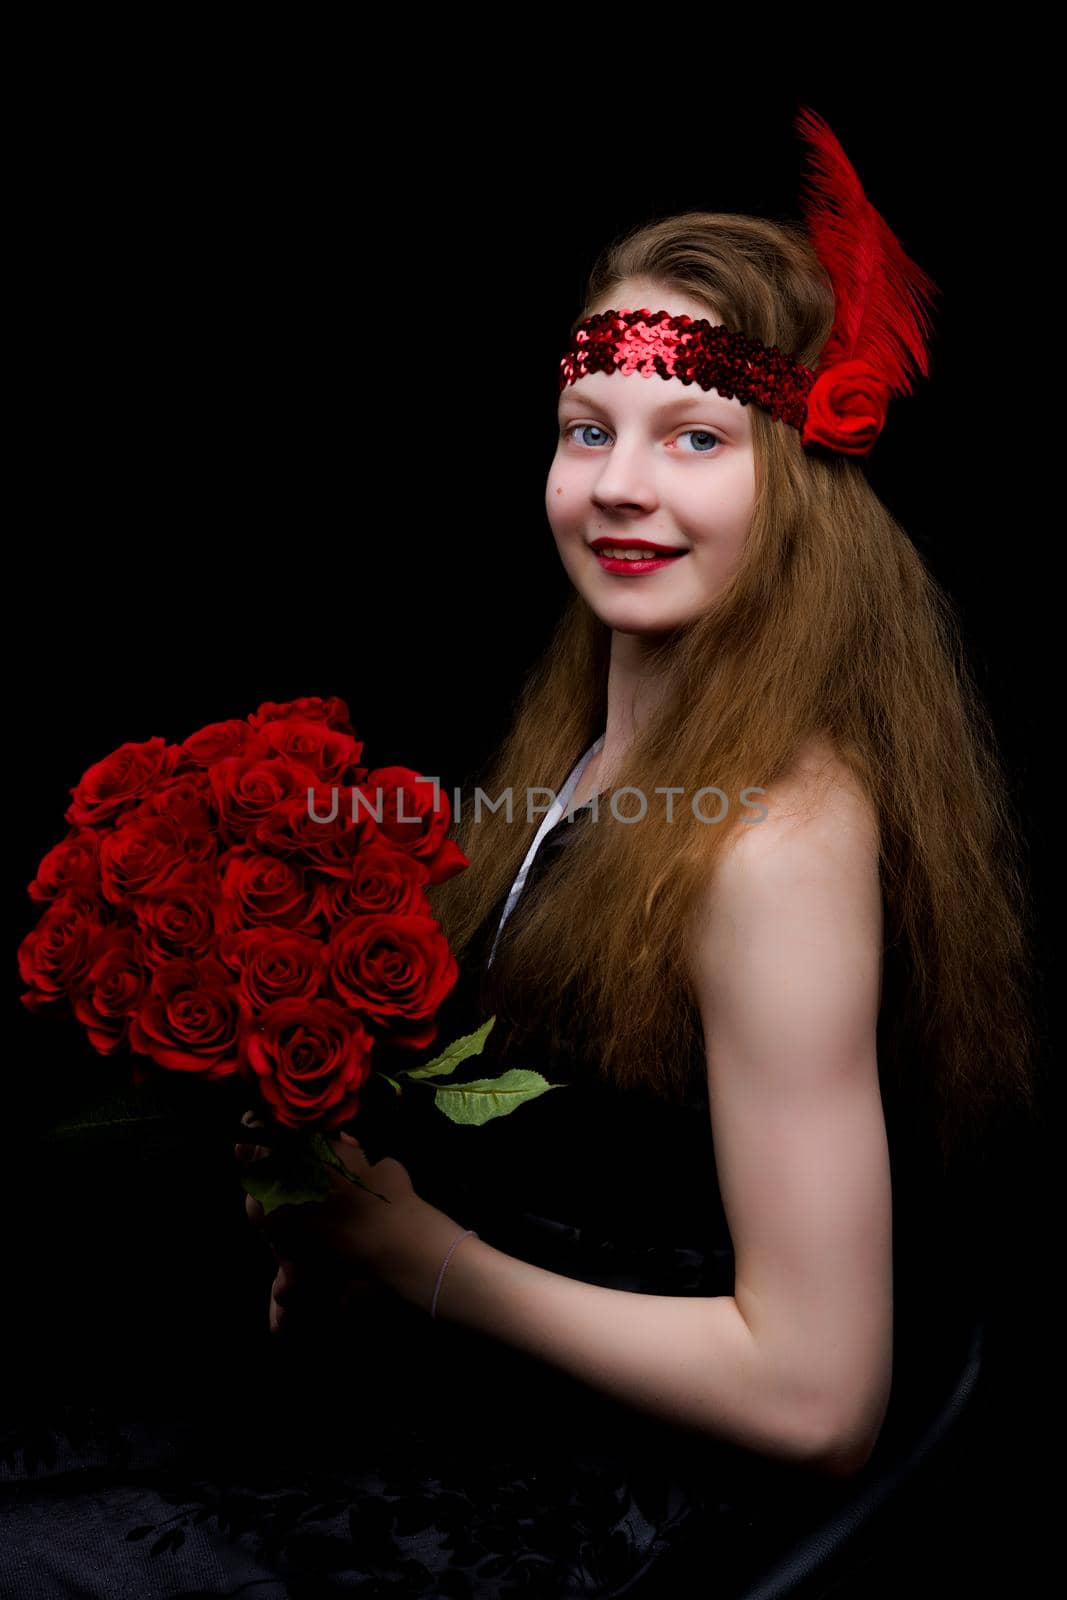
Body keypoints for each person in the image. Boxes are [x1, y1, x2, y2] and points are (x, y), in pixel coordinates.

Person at [231, 107, 1039, 1597]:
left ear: (793, 485)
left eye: (694, 440)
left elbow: (816, 1401)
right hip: (466, 1438)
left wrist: (421, 1263)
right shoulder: (595, 749)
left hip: (604, 1521)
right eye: (587, 429)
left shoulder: (777, 844)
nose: (617, 485)